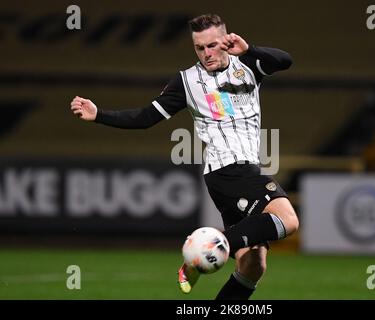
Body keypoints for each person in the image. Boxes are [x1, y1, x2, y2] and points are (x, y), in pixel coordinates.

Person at [70, 13, 299, 300]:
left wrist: (250, 49)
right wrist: (99, 114)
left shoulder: (249, 65)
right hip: (228, 169)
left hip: (239, 172)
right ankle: (201, 253)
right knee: (288, 220)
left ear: (226, 41)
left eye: (212, 45)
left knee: (253, 264)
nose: (207, 53)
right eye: (200, 48)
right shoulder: (186, 81)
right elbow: (145, 117)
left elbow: (286, 60)